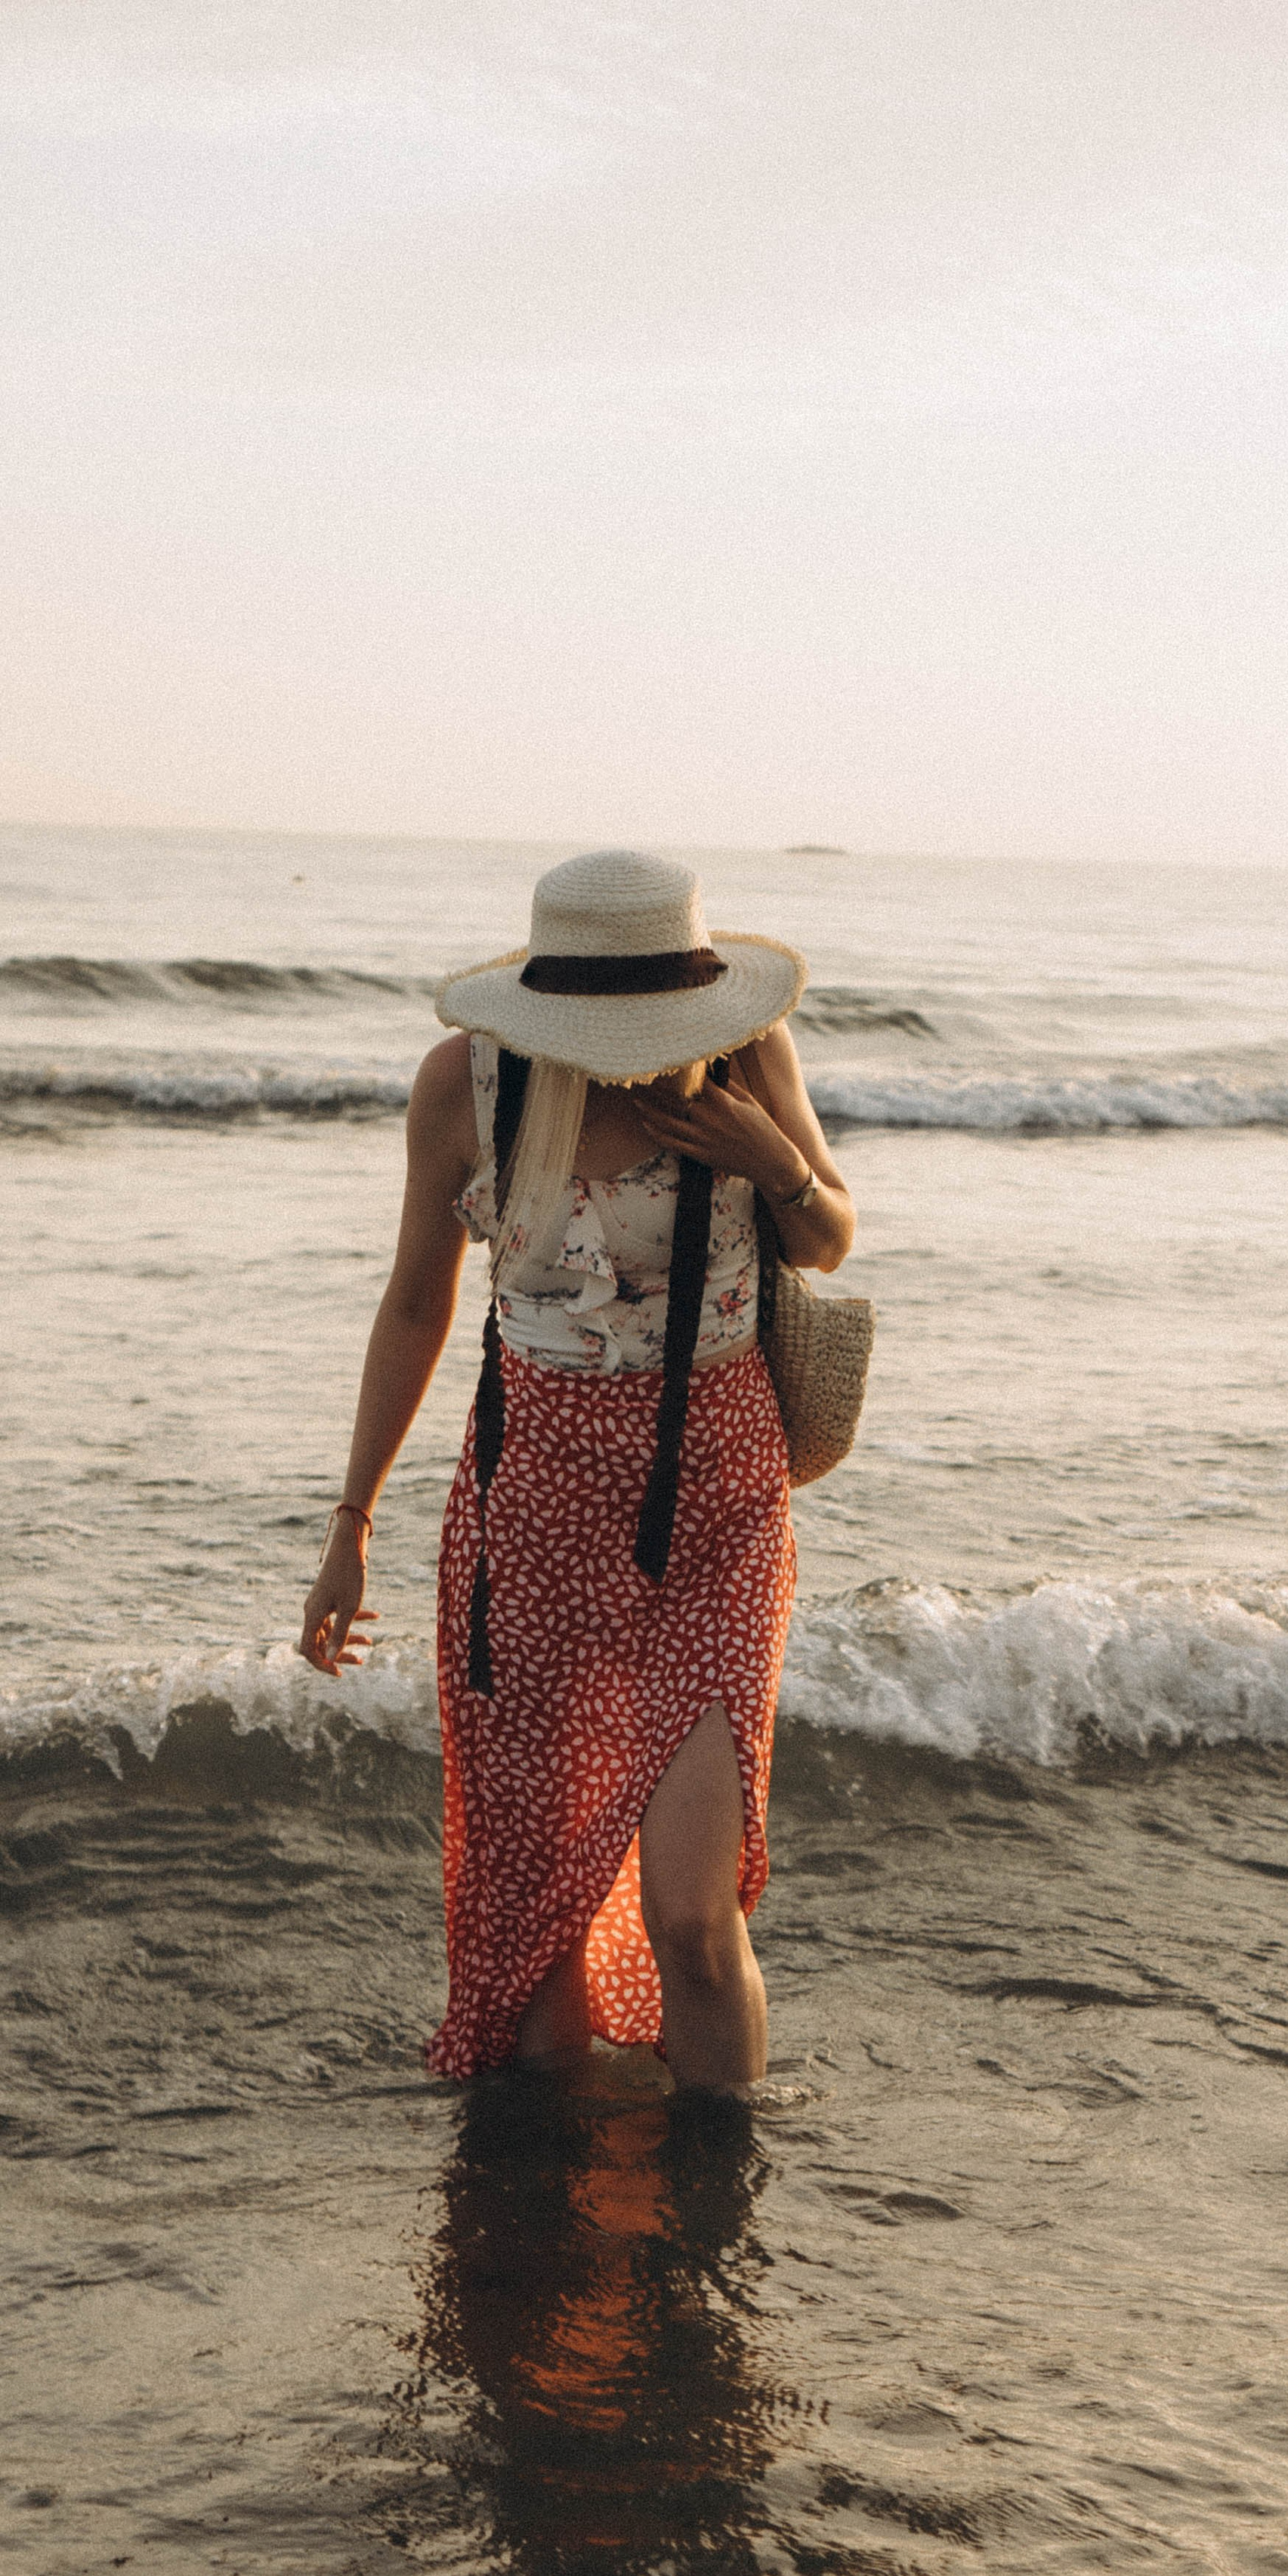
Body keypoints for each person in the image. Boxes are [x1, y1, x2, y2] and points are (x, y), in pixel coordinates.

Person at [295, 850, 855, 2089]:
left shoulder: (748, 1059)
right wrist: (351, 1523)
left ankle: (723, 2196)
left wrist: (772, 1159)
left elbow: (826, 1239)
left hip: (716, 1511)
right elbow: (414, 1303)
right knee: (537, 1950)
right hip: (533, 1515)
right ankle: (555, 2191)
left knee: (695, 1920)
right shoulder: (466, 1086)